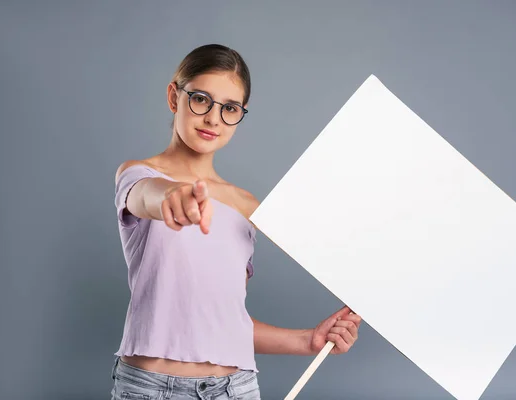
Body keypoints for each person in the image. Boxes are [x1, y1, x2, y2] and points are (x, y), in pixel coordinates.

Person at [110, 43, 362, 400]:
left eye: (229, 108)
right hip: (152, 388)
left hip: (236, 389)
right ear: (174, 97)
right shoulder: (139, 175)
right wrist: (171, 198)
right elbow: (146, 195)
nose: (214, 118)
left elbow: (223, 321)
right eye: (201, 99)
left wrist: (309, 340)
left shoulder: (249, 207)